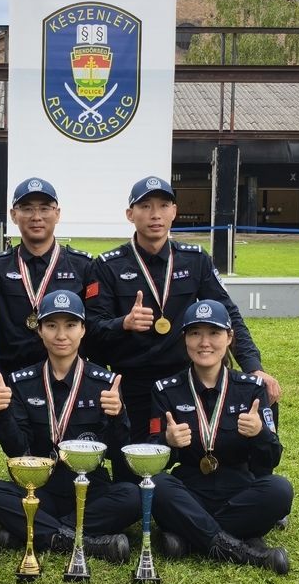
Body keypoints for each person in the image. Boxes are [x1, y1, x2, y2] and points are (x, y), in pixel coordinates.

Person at [84, 175, 280, 481]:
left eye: (164, 205)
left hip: (185, 380)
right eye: (145, 206)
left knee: (251, 404)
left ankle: (255, 486)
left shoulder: (195, 259)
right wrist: (124, 323)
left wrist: (253, 366)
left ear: (174, 211)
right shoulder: (108, 265)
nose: (155, 214)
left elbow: (229, 314)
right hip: (133, 383)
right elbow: (91, 329)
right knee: (132, 479)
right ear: (130, 214)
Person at [0, 290, 140, 563]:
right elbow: (18, 450)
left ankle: (34, 531)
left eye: (70, 325)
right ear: (40, 331)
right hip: (40, 485)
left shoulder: (105, 382)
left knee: (133, 496)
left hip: (90, 485)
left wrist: (118, 415)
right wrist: (2, 414)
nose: (61, 335)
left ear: (83, 330)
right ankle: (79, 540)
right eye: (52, 325)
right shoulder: (22, 382)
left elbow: (116, 452)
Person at [148, 299, 292, 574]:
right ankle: (246, 548)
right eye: (195, 333)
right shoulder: (166, 390)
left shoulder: (251, 389)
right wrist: (167, 442)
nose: (205, 343)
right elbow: (154, 459)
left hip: (239, 492)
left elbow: (270, 459)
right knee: (156, 485)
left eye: (214, 333)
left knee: (280, 490)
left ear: (229, 337)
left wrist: (260, 433)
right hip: (190, 492)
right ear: (185, 339)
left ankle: (189, 539)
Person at [0, 177, 92, 427]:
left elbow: (95, 322)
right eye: (27, 209)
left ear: (57, 214)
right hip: (11, 373)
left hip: (64, 374)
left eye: (44, 208)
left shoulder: (82, 265)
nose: (36, 216)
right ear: (14, 215)